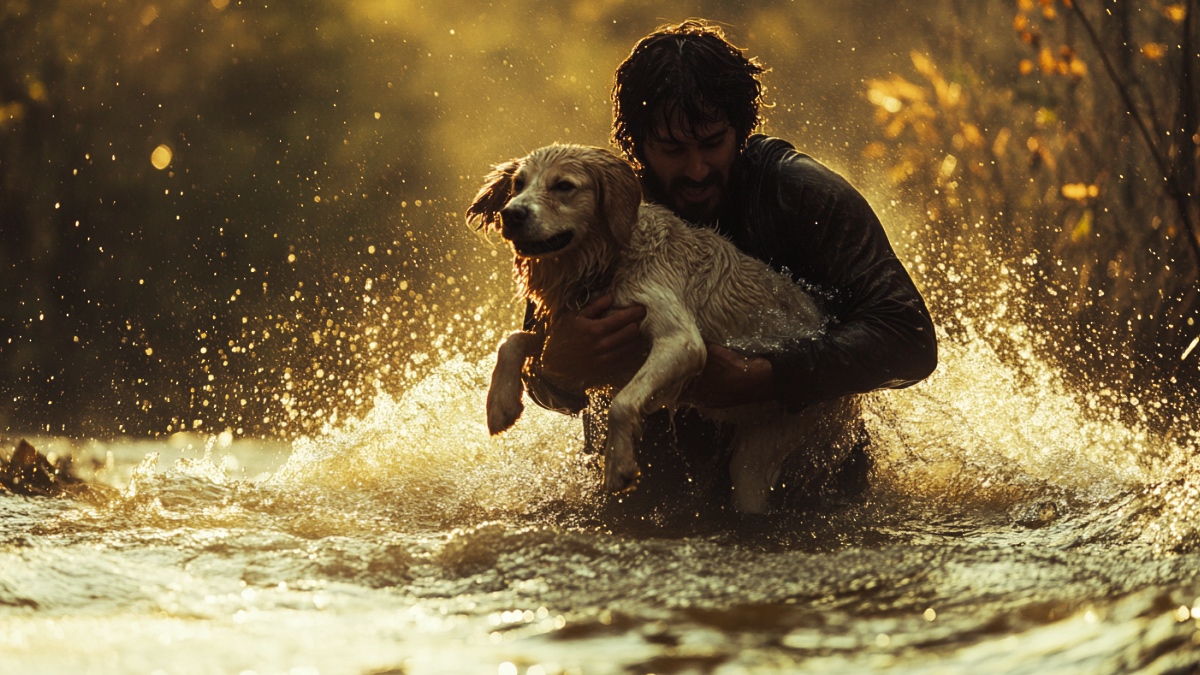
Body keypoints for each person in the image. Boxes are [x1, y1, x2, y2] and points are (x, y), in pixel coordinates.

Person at [521, 20, 937, 510]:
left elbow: (908, 338)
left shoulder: (800, 194)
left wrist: (764, 375)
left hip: (806, 482)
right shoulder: (598, 207)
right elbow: (548, 389)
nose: (696, 169)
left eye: (712, 142)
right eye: (673, 150)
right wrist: (554, 368)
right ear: (636, 146)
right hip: (649, 489)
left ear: (741, 132)